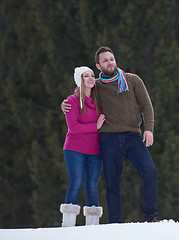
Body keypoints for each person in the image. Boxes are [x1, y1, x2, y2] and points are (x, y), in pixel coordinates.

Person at [61, 47, 158, 223]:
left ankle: (151, 216)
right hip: (108, 139)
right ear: (99, 66)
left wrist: (149, 128)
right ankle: (115, 223)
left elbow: (146, 105)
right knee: (112, 183)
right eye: (105, 60)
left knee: (149, 171)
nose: (110, 62)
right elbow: (80, 92)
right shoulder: (96, 85)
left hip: (132, 136)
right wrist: (65, 104)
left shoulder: (132, 80)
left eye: (111, 58)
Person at [60, 66, 106, 227]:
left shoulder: (99, 100)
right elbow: (74, 127)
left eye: (92, 75)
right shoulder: (71, 101)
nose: (91, 78)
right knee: (76, 182)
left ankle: (92, 227)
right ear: (80, 80)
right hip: (74, 149)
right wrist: (96, 126)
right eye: (86, 76)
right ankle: (68, 225)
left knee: (92, 185)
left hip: (95, 150)